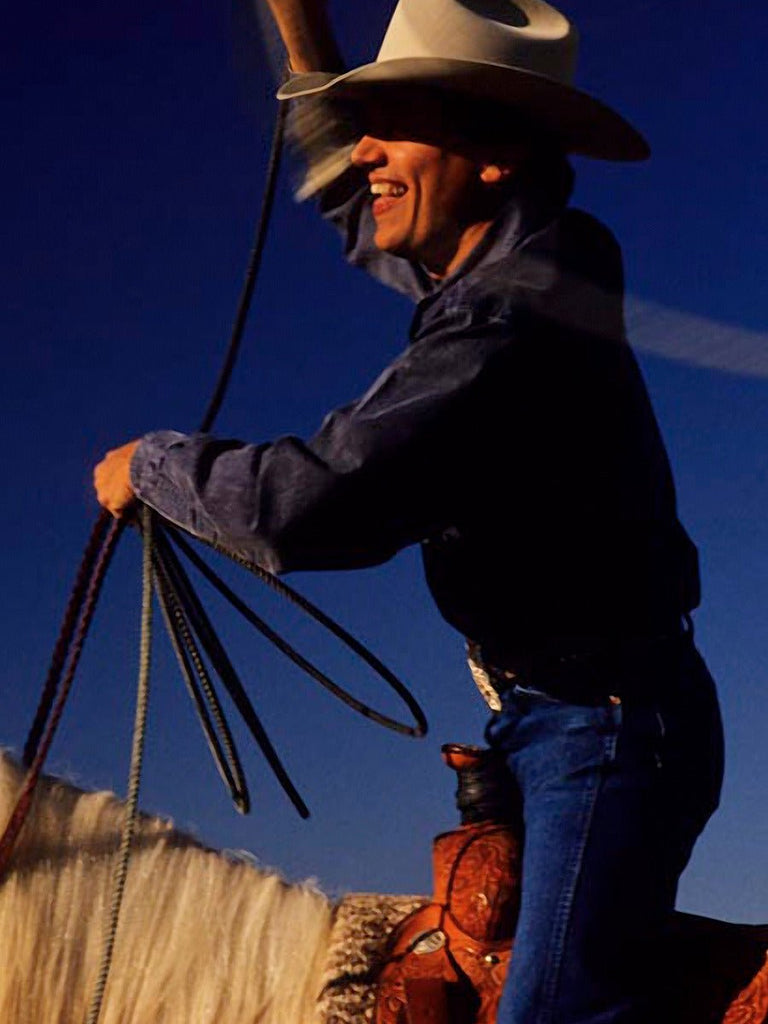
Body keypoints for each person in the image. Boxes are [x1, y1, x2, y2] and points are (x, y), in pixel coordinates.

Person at [94, 1, 724, 1020]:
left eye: (400, 121)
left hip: (605, 729)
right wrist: (306, 37)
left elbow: (313, 504)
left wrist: (153, 465)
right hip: (559, 715)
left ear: (494, 154)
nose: (371, 151)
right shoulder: (525, 266)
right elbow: (363, 201)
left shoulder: (506, 320)